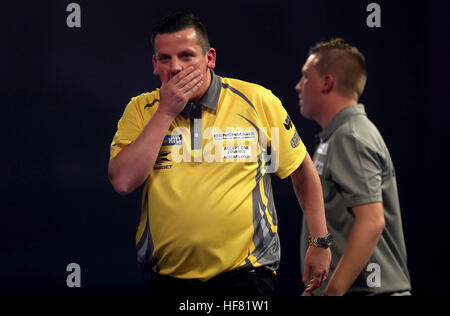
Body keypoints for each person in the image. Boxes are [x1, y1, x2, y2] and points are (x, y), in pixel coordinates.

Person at [108, 12, 331, 296]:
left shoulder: (256, 101)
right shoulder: (141, 110)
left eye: (187, 56)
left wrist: (320, 242)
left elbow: (303, 172)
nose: (175, 68)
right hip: (168, 281)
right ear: (154, 64)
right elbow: (123, 181)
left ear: (209, 59)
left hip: (244, 278)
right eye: (164, 58)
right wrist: (165, 112)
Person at [295, 38, 412, 296]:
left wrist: (332, 293)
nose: (298, 86)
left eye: (305, 77)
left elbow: (372, 221)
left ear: (327, 82)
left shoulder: (351, 136)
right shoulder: (339, 136)